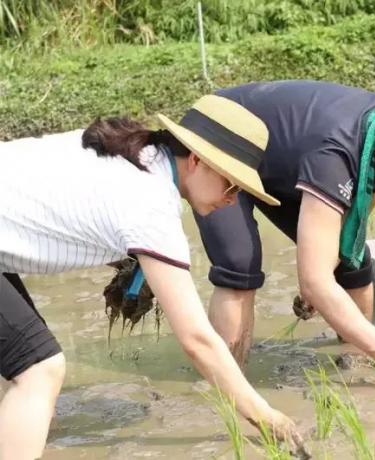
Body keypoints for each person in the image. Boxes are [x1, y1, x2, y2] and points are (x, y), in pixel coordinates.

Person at [0, 95, 304, 460]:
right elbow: (197, 340)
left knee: (19, 361)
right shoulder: (152, 204)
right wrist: (263, 415)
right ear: (195, 160)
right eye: (231, 184)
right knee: (39, 369)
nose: (232, 198)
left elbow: (69, 209)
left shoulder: (137, 153)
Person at [192, 80, 375, 391]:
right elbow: (315, 280)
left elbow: (350, 229)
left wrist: (320, 277)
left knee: (352, 260)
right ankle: (227, 388)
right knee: (239, 263)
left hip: (285, 158)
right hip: (222, 137)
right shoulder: (336, 156)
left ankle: (354, 366)